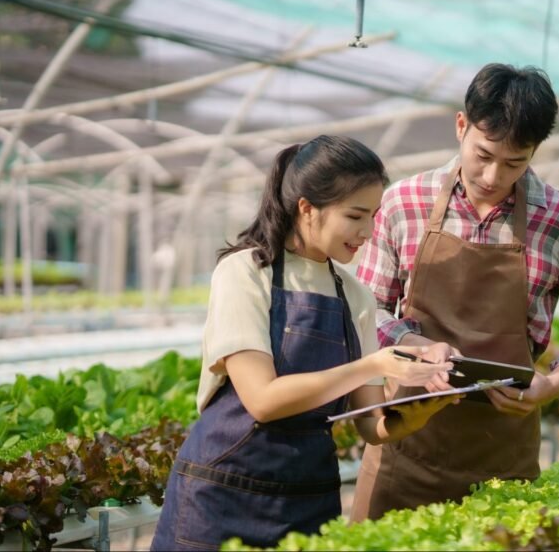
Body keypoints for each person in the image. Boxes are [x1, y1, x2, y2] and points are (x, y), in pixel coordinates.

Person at [151, 136, 459, 551]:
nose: (367, 232)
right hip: (222, 494)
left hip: (308, 499)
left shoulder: (354, 295)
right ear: (307, 208)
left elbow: (372, 425)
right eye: (355, 216)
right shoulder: (246, 272)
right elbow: (262, 399)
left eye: (372, 216)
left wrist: (420, 410)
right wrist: (375, 365)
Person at [351, 63, 559, 520]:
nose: (493, 175)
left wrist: (556, 382)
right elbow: (367, 308)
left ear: (535, 151)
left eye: (515, 162)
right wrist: (414, 345)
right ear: (462, 126)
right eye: (483, 154)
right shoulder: (403, 202)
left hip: (503, 449)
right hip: (404, 436)